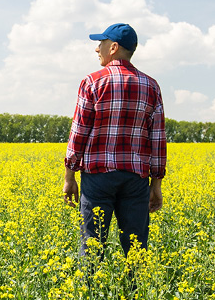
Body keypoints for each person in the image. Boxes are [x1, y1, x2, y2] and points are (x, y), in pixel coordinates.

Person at [62, 23, 166, 262]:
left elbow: (79, 133)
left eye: (101, 43)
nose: (97, 49)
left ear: (114, 47)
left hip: (98, 176)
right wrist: (156, 183)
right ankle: (136, 295)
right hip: (136, 179)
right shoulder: (151, 86)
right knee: (136, 248)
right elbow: (157, 139)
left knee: (91, 246)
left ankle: (89, 296)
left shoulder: (92, 82)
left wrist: (69, 178)